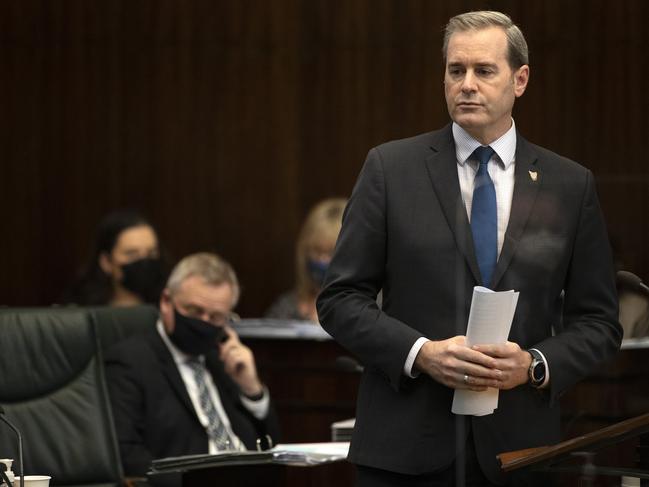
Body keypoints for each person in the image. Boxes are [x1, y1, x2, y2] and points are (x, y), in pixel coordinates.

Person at [317, 11, 622, 487]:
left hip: (519, 452)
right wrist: (421, 353)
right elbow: (339, 299)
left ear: (520, 80)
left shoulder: (569, 184)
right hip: (405, 450)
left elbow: (599, 321)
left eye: (484, 71)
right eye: (455, 70)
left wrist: (535, 366)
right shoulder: (391, 169)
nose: (466, 85)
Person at [105, 252, 280, 486]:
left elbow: (271, 449)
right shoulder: (130, 361)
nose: (204, 323)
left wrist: (252, 390)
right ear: (166, 302)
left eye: (216, 317)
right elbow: (125, 455)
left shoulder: (222, 360)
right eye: (195, 312)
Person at [265, 197, 346, 321]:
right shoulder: (286, 307)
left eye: (331, 253)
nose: (322, 261)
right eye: (317, 251)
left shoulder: (374, 307)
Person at [65, 209, 167, 306]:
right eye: (132, 254)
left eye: (151, 252)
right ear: (106, 262)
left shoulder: (169, 311)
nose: (144, 260)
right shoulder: (82, 314)